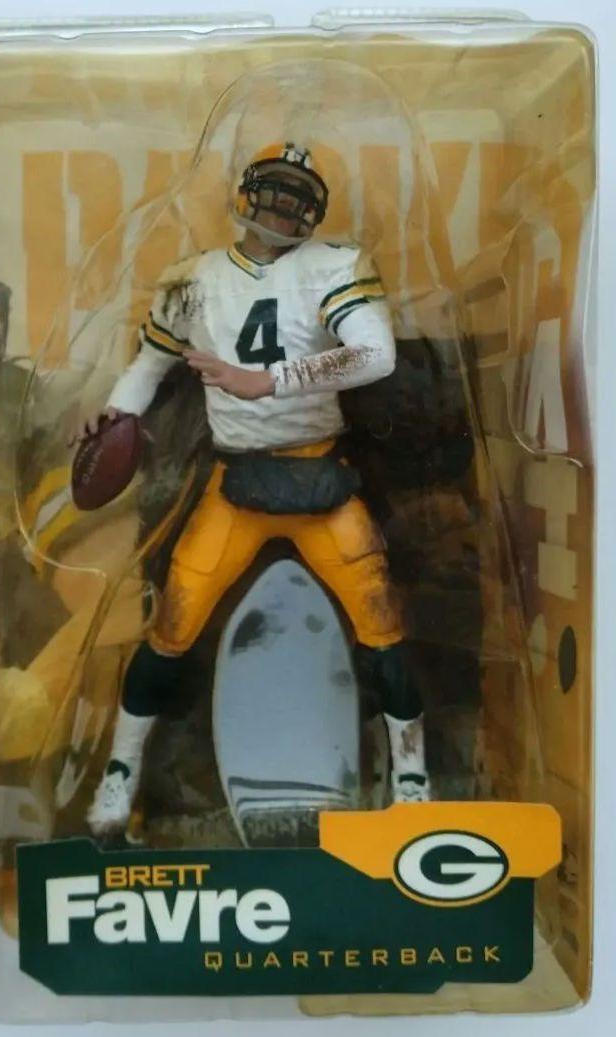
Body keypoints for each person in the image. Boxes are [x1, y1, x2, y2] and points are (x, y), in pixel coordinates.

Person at [84, 142, 432, 837]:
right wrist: (115, 415)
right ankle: (120, 766)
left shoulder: (334, 264)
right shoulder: (192, 278)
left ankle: (412, 770)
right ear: (244, 193)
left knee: (381, 623)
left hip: (320, 476)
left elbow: (376, 354)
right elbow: (150, 364)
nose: (281, 206)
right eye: (273, 190)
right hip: (236, 479)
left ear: (315, 209)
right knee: (173, 622)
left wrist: (268, 380)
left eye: (296, 196)